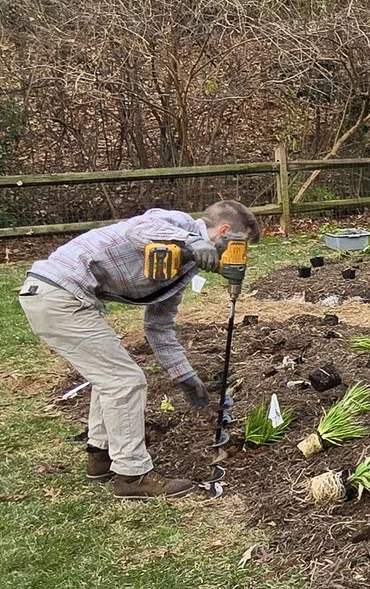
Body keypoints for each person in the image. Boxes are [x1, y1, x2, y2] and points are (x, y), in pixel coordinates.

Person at [16, 200, 259, 498]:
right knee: (125, 381)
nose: (238, 255)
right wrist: (192, 242)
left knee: (109, 377)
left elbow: (158, 326)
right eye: (240, 244)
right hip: (59, 294)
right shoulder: (177, 224)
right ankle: (132, 476)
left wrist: (186, 376)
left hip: (68, 298)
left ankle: (101, 456)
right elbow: (139, 228)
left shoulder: (183, 266)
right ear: (224, 231)